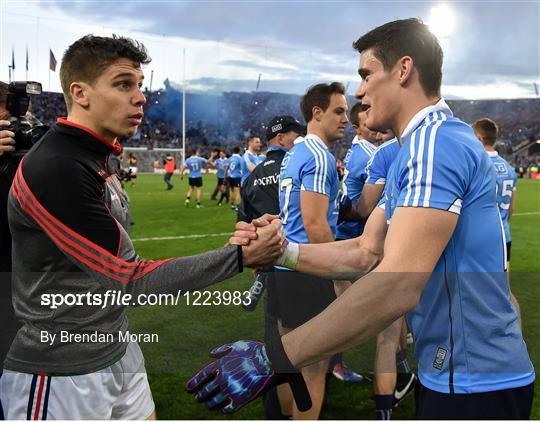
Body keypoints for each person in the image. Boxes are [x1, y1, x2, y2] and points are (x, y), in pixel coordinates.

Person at [188, 18, 534, 419]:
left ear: (403, 70)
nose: (359, 92)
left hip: (476, 379)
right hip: (456, 370)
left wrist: (276, 356)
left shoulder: (435, 144)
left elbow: (397, 287)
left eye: (366, 75)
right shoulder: (413, 149)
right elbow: (366, 250)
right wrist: (282, 252)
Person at [0, 34, 285, 421]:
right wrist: (239, 257)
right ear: (79, 93)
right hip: (61, 368)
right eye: (123, 84)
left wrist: (235, 247)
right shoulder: (58, 167)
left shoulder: (97, 155)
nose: (140, 97)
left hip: (116, 346)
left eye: (139, 85)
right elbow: (129, 279)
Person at [266, 82, 348, 420]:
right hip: (309, 271)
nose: (347, 119)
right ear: (317, 112)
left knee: (290, 360)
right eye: (339, 111)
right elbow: (316, 226)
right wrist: (340, 276)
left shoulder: (294, 153)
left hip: (285, 269)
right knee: (314, 370)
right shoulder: (317, 155)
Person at [237, 115, 305, 419]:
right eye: (295, 135)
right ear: (281, 138)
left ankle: (275, 409)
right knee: (306, 342)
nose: (300, 140)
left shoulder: (251, 177)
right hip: (303, 263)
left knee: (276, 342)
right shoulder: (298, 166)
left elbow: (244, 225)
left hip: (269, 269)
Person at [472, 118, 521, 322]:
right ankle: (515, 337)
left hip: (480, 238)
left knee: (472, 292)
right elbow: (511, 209)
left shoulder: (477, 164)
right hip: (504, 236)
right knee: (504, 291)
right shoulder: (508, 168)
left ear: (478, 137)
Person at [226, 146, 243, 211]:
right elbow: (242, 168)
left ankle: (232, 204)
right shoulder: (240, 158)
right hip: (237, 177)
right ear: (239, 151)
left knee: (231, 191)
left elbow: (227, 168)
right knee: (237, 192)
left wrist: (225, 176)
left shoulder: (229, 158)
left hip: (230, 176)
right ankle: (238, 206)